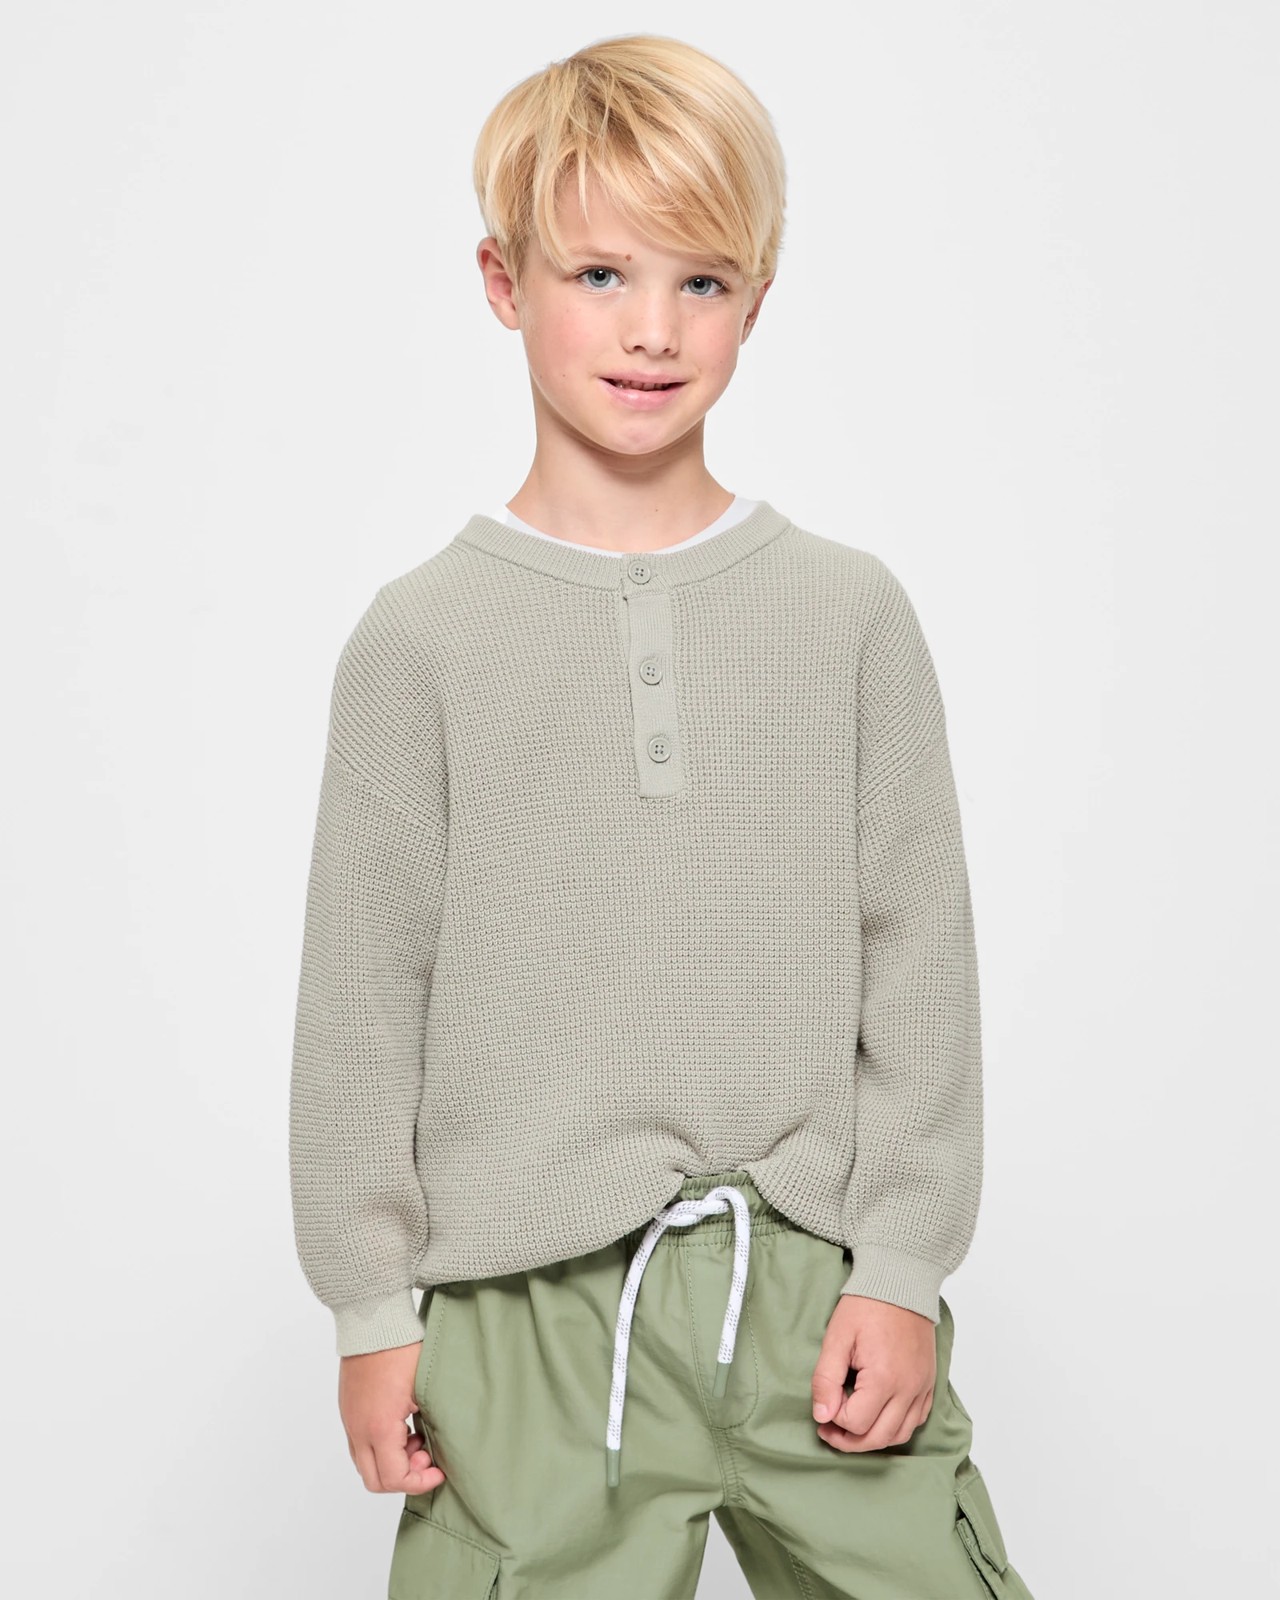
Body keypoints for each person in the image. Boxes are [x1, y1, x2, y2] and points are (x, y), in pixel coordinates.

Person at [289, 31, 1037, 1600]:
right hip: (528, 1321)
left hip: (814, 1293)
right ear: (503, 284)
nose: (651, 329)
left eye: (702, 280)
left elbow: (920, 955)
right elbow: (365, 994)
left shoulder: (847, 613)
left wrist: (903, 1266)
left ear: (757, 301)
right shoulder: (419, 640)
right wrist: (368, 1308)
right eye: (600, 274)